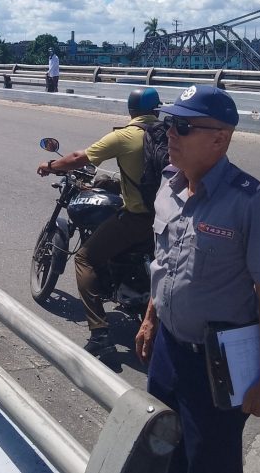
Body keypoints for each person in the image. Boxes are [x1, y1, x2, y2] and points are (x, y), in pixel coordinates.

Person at [134, 85, 260, 473]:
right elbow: (164, 263)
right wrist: (151, 320)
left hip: (217, 363)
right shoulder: (169, 187)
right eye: (169, 122)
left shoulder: (253, 201)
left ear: (220, 138)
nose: (170, 133)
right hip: (167, 351)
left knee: (208, 462)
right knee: (159, 452)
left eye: (183, 127)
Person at [37, 87, 161, 356]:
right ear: (157, 109)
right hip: (168, 219)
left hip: (138, 219)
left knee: (84, 259)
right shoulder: (170, 134)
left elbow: (78, 158)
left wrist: (50, 165)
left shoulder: (126, 135)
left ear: (131, 111)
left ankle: (99, 334)